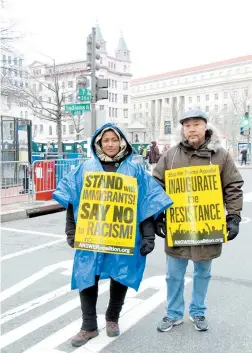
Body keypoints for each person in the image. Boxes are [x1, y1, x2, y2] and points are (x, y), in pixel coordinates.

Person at [53, 123, 172, 347]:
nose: (110, 144)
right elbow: (72, 201)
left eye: (114, 140)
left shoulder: (135, 170)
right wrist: (71, 230)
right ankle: (88, 325)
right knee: (87, 276)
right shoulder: (85, 168)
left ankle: (112, 318)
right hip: (91, 236)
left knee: (121, 275)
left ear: (122, 142)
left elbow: (144, 203)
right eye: (105, 140)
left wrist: (148, 236)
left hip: (124, 236)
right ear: (99, 143)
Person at [153, 110, 244, 333]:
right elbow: (156, 185)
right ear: (183, 130)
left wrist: (233, 216)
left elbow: (233, 186)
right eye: (187, 125)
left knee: (203, 272)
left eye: (196, 124)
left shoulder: (220, 155)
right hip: (179, 227)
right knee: (173, 274)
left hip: (207, 227)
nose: (191, 129)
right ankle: (173, 313)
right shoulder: (171, 155)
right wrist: (158, 216)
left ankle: (197, 311)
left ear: (205, 127)